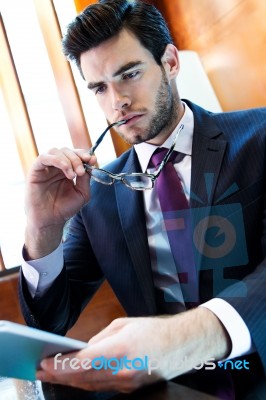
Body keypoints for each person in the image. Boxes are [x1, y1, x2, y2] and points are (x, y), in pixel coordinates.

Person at [19, 0, 266, 398]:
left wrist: (187, 338)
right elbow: (50, 323)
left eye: (129, 74)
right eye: (99, 88)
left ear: (169, 61)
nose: (116, 100)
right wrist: (42, 228)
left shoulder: (259, 135)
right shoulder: (97, 193)